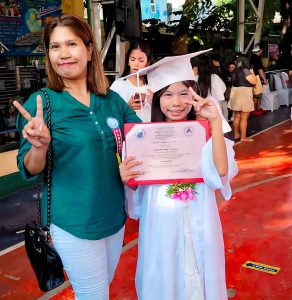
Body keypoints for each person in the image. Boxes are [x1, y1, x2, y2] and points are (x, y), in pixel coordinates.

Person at [13, 14, 140, 299]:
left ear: (89, 49)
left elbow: (144, 141)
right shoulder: (41, 103)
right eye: (55, 47)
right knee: (93, 294)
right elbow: (30, 168)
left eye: (71, 44)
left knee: (101, 287)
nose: (64, 54)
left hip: (113, 217)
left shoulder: (112, 101)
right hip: (72, 221)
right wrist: (39, 146)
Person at [119, 51, 238, 300]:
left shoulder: (204, 133)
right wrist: (125, 176)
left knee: (200, 272)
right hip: (160, 223)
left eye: (184, 93)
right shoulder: (141, 138)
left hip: (199, 218)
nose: (176, 103)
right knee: (163, 275)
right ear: (156, 98)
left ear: (194, 95)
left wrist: (216, 123)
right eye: (168, 95)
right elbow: (134, 189)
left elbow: (222, 170)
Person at [110, 40, 153, 122]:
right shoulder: (118, 85)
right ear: (128, 61)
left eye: (141, 60)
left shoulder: (153, 84)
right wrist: (127, 107)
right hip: (127, 131)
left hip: (150, 130)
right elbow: (108, 112)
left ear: (148, 63)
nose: (136, 64)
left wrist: (156, 102)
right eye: (132, 59)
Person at [198, 55, 231, 130]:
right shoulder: (214, 77)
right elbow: (222, 89)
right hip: (213, 104)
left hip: (200, 104)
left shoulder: (196, 78)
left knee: (203, 128)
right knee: (216, 128)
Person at [229, 55, 257, 142]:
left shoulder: (234, 71)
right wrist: (252, 72)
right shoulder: (246, 71)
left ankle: (236, 134)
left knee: (237, 115)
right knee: (244, 117)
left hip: (235, 92)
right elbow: (254, 81)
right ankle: (243, 137)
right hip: (244, 93)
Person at [249, 43, 268, 115]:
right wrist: (264, 79)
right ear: (260, 50)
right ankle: (255, 110)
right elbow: (260, 69)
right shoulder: (257, 58)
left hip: (252, 77)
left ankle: (257, 109)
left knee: (257, 94)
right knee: (257, 95)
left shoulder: (252, 57)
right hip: (257, 78)